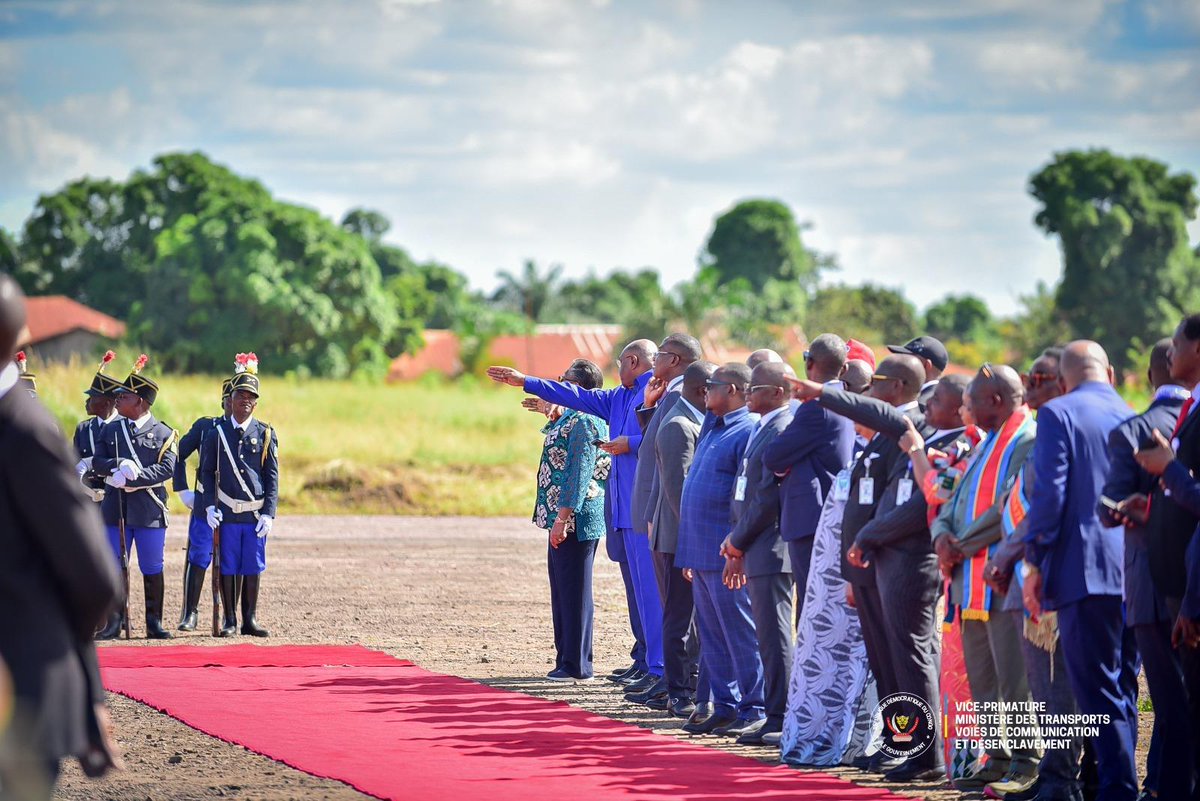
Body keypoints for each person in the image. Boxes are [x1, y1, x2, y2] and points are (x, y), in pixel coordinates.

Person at [0, 274, 124, 799]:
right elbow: (91, 579)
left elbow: (94, 578)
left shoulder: (22, 428)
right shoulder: (22, 426)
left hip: (18, 700)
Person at [488, 341, 662, 689]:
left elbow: (664, 439)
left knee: (646, 593)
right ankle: (644, 660)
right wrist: (527, 381)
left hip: (634, 510)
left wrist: (632, 443)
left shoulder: (655, 394)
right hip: (620, 509)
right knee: (635, 592)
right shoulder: (618, 397)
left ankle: (654, 668)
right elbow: (573, 403)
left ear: (631, 361)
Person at [1022, 341, 1138, 801]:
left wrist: (1034, 562)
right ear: (1109, 372)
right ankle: (1110, 785)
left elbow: (1049, 498)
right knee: (1123, 689)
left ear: (1064, 379)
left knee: (1097, 695)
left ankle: (1116, 790)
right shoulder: (1133, 414)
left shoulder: (1058, 414)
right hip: (1133, 570)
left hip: (1083, 570)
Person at [927, 365, 1039, 797]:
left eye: (972, 399)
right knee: (984, 680)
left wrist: (960, 543)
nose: (965, 407)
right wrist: (942, 538)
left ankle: (1027, 762)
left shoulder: (1025, 440)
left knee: (1014, 679)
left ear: (997, 401)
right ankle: (997, 758)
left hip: (1000, 577)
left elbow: (1009, 506)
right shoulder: (982, 442)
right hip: (966, 581)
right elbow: (951, 500)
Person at [1098, 339, 1192, 801]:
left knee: (1168, 699)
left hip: (1149, 582)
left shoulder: (1135, 429)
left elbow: (1107, 510)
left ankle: (1161, 785)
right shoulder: (1187, 420)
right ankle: (1164, 781)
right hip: (1192, 576)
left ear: (1154, 375)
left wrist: (1133, 508)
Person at [779, 386, 877, 764]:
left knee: (871, 662)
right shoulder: (862, 453)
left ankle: (872, 743)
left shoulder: (883, 450)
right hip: (831, 581)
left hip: (863, 574)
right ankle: (831, 736)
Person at [676, 362, 764, 737]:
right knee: (712, 634)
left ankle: (754, 706)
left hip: (727, 553)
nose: (704, 390)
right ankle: (725, 705)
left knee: (739, 632)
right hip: (701, 550)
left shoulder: (746, 430)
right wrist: (689, 553)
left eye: (711, 385)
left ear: (732, 390)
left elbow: (745, 497)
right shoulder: (714, 426)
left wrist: (737, 550)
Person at [720, 362, 795, 745]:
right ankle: (773, 711)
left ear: (778, 393)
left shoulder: (781, 428)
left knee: (775, 634)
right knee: (766, 634)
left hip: (771, 544)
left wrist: (738, 540)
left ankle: (779, 716)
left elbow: (768, 498)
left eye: (756, 388)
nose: (748, 394)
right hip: (753, 541)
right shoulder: (762, 427)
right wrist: (736, 539)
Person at [628, 333, 701, 707]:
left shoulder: (682, 397)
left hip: (670, 520)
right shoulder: (670, 397)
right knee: (673, 605)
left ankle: (675, 682)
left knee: (677, 609)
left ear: (675, 361)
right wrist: (647, 406)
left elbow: (668, 471)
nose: (653, 360)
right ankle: (673, 681)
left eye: (660, 355)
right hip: (662, 516)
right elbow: (657, 453)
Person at [762, 334, 855, 623]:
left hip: (811, 518)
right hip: (828, 513)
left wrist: (787, 463)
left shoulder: (817, 407)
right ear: (845, 368)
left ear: (810, 363)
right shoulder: (845, 400)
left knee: (813, 606)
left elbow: (773, 455)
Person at [89, 354, 178, 641]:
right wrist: (113, 470)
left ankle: (154, 623)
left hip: (149, 509)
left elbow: (168, 468)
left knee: (152, 566)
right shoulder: (111, 429)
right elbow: (98, 460)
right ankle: (114, 623)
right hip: (116, 508)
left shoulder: (164, 433)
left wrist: (135, 477)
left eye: (124, 396)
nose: (117, 400)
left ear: (139, 401)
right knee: (113, 565)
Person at [532, 359, 610, 682]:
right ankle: (566, 657)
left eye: (562, 380)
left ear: (576, 387)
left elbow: (578, 472)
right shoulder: (572, 417)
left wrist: (563, 518)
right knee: (564, 588)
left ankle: (577, 664)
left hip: (575, 518)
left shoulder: (586, 420)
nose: (557, 384)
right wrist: (550, 412)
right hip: (562, 517)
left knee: (575, 591)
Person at [650, 360, 716, 719]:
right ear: (703, 390)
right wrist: (696, 544)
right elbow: (679, 492)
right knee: (679, 618)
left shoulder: (696, 420)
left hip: (688, 537)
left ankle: (687, 683)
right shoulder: (678, 425)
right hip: (680, 537)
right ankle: (676, 691)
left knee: (693, 618)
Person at [198, 354, 279, 638]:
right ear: (230, 399)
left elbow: (272, 477)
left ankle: (250, 619)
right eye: (240, 395)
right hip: (228, 511)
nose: (246, 400)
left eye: (251, 396)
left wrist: (269, 512)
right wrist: (209, 506)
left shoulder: (266, 433)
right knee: (229, 566)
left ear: (256, 402)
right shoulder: (216, 434)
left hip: (254, 513)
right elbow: (206, 472)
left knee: (252, 566)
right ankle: (230, 619)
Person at [172, 377, 233, 631]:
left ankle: (232, 617)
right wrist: (183, 490)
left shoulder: (251, 430)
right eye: (232, 399)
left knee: (232, 560)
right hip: (204, 504)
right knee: (198, 557)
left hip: (235, 508)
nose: (237, 404)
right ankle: (191, 613)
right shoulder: (206, 427)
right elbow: (176, 453)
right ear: (224, 401)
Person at [73, 350, 121, 506]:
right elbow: (74, 460)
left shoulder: (124, 426)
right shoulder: (84, 429)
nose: (87, 402)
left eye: (92, 397)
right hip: (88, 497)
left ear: (106, 403)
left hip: (117, 498)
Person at [887, 336, 948, 410]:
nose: (899, 365)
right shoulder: (939, 401)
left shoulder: (922, 405)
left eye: (906, 360)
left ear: (926, 366)